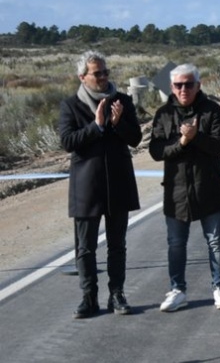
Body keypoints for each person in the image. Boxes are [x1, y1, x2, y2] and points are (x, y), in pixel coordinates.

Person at [58, 51, 141, 318]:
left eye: (106, 72)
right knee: (85, 247)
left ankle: (117, 294)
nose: (104, 77)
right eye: (98, 73)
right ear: (83, 77)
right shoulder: (71, 105)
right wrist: (96, 126)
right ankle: (89, 297)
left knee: (117, 245)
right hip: (86, 185)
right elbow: (68, 141)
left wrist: (117, 124)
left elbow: (136, 138)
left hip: (118, 181)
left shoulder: (123, 101)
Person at [149, 64, 220, 312]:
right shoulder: (163, 114)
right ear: (172, 87)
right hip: (177, 192)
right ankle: (177, 289)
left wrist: (197, 137)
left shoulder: (212, 110)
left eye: (188, 84)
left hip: (209, 188)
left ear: (199, 85)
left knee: (215, 241)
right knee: (176, 244)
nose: (183, 89)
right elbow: (157, 151)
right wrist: (184, 141)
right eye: (178, 85)